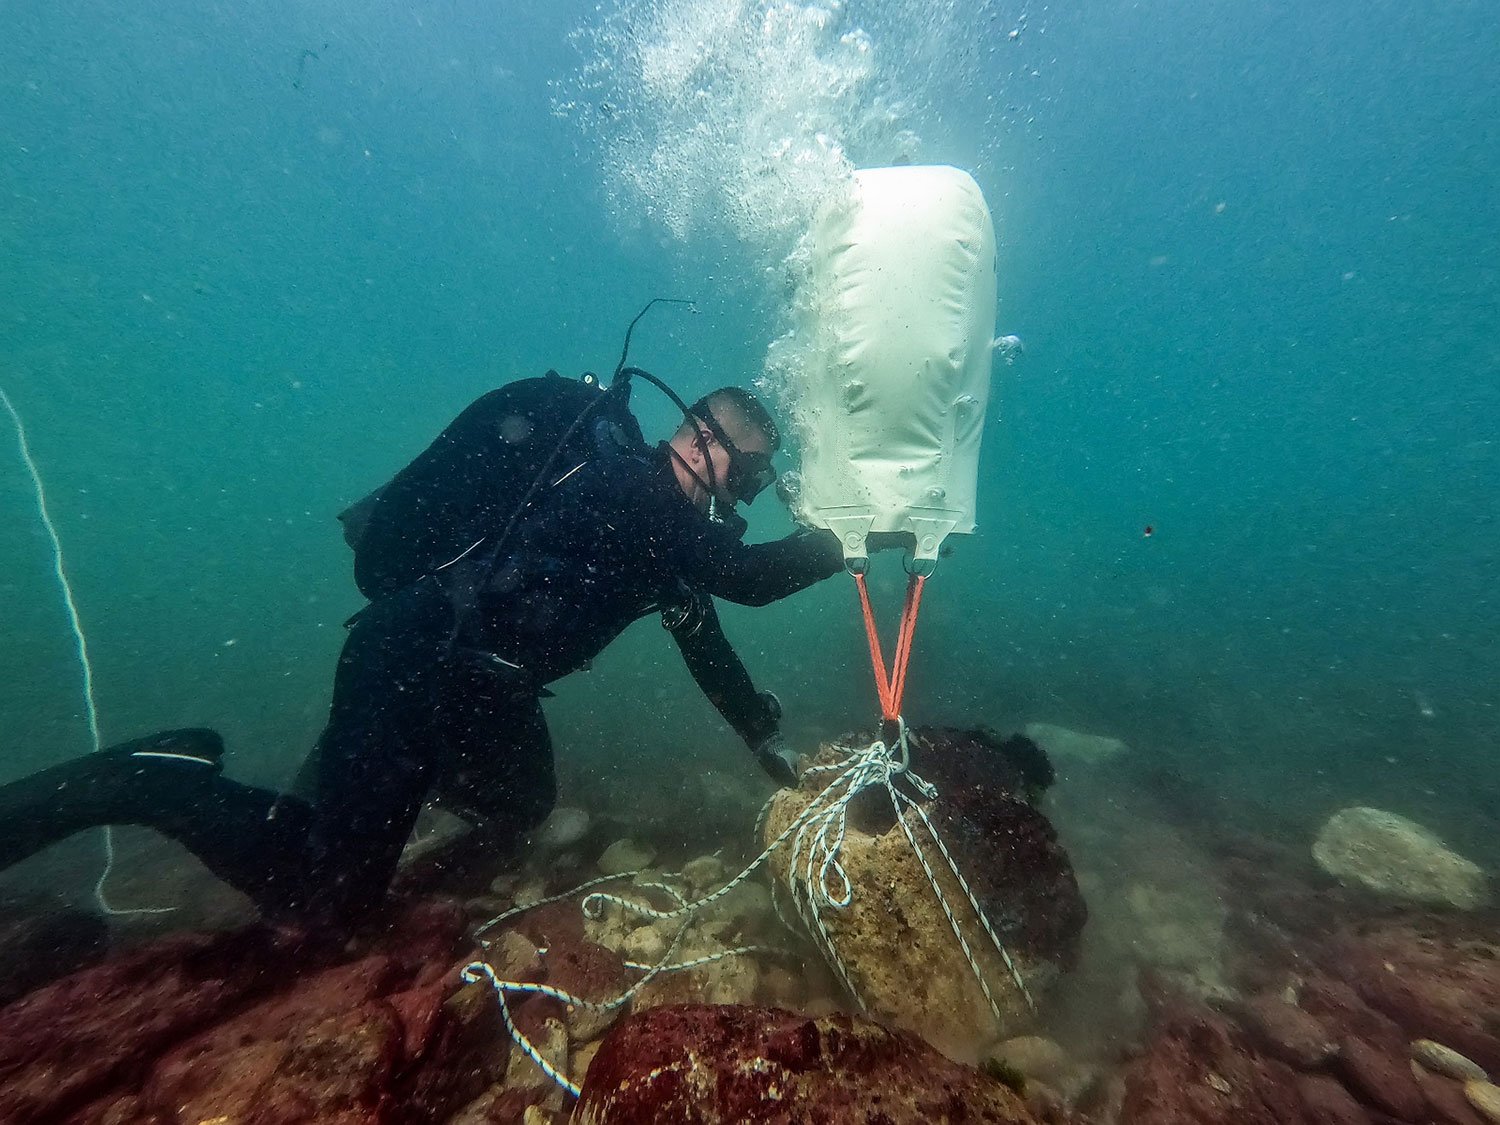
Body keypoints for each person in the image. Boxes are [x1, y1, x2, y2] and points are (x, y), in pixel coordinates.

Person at [0, 374, 844, 931]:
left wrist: (759, 732)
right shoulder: (633, 489)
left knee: (518, 806)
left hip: (482, 687)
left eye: (760, 487)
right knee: (324, 901)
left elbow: (703, 630)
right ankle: (153, 776)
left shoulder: (658, 531)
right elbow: (749, 580)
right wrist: (846, 534)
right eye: (750, 477)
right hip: (413, 660)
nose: (747, 498)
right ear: (698, 438)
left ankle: (361, 818)